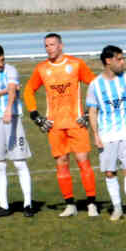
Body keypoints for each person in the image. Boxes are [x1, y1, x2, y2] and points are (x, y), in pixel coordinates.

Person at [23, 33, 98, 217]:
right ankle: (70, 204)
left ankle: (91, 204)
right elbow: (28, 91)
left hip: (76, 123)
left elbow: (96, 85)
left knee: (83, 162)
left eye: (52, 44)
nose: (49, 48)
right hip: (55, 126)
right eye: (46, 45)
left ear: (61, 46)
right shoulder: (41, 69)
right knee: (62, 164)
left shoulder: (76, 64)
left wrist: (89, 112)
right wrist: (35, 115)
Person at [0, 43, 34, 218]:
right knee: (0, 164)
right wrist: (3, 91)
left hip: (13, 119)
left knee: (19, 162)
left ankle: (28, 204)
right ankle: (3, 206)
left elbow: (12, 91)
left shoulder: (11, 70)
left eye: (2, 60)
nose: (1, 64)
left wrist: (9, 109)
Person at [86, 45, 126, 221]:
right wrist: (96, 135)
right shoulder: (95, 85)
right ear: (108, 61)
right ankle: (117, 208)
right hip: (107, 135)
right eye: (119, 59)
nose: (123, 62)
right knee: (110, 172)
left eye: (123, 58)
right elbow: (92, 112)